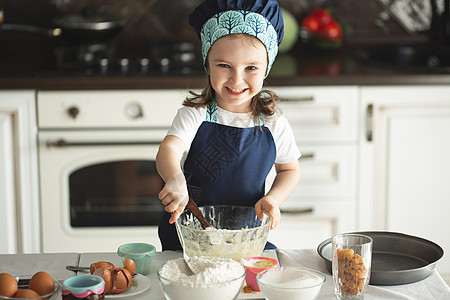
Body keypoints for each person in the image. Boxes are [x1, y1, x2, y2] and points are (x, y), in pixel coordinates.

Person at [156, 0, 301, 251]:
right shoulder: (196, 114)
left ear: (266, 68)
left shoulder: (274, 123)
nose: (236, 79)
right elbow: (169, 149)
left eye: (251, 68)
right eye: (224, 65)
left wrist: (272, 199)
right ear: (207, 64)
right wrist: (174, 178)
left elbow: (289, 171)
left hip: (244, 237)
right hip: (190, 233)